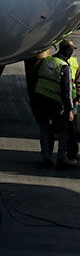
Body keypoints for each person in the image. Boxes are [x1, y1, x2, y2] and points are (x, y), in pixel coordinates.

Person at [31, 40, 75, 168]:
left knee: (45, 129)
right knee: (64, 131)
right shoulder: (64, 67)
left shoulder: (45, 61)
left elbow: (34, 79)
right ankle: (61, 159)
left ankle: (46, 157)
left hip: (40, 101)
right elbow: (67, 91)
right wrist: (69, 110)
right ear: (68, 53)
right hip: (55, 103)